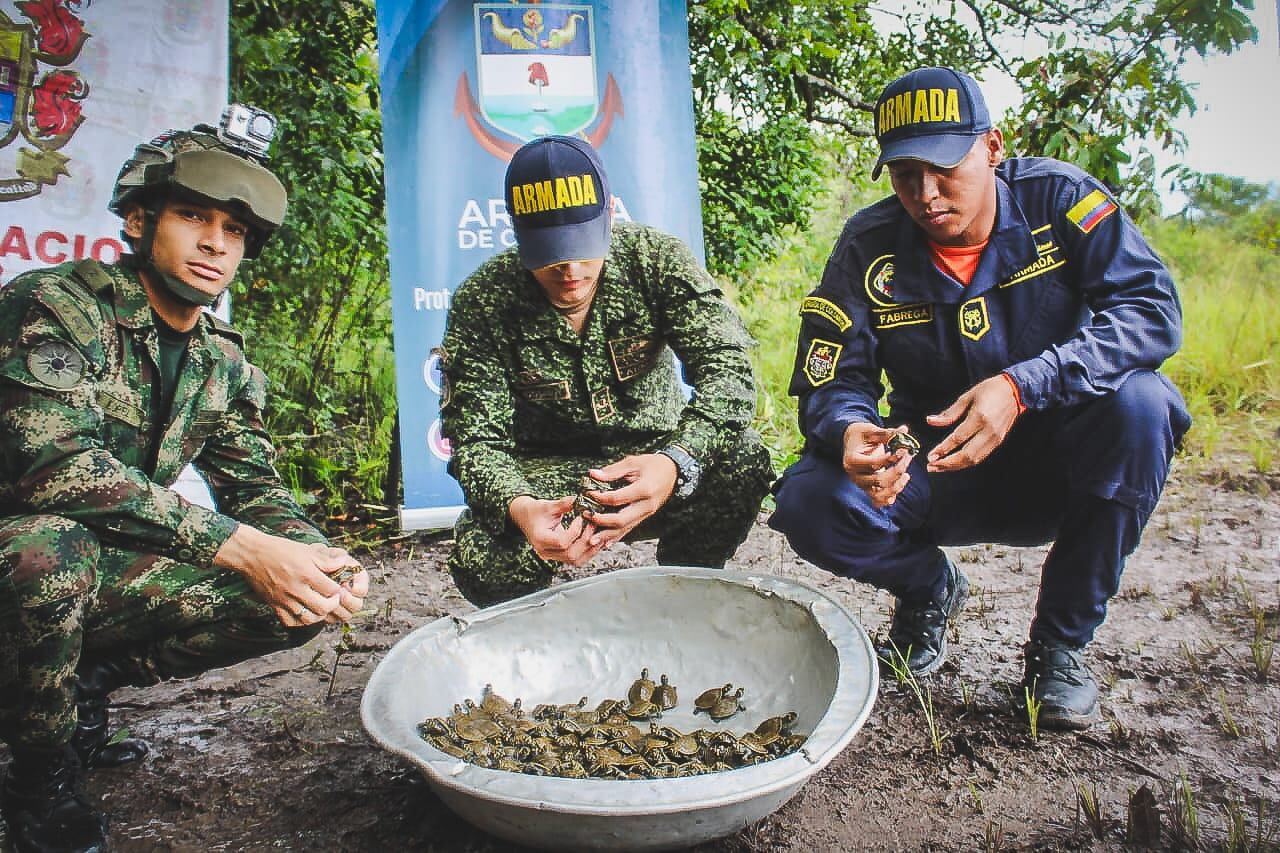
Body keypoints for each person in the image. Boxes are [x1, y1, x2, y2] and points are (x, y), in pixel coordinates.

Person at [769, 67, 1190, 730]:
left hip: (1064, 462)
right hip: (937, 467)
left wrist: (1023, 386)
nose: (926, 194)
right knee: (809, 500)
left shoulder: (1062, 202)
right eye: (905, 174)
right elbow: (833, 378)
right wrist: (852, 430)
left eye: (944, 168)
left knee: (1143, 405)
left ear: (993, 147)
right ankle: (928, 589)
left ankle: (1058, 650)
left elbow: (1150, 311)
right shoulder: (868, 245)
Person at [0, 106, 369, 853]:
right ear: (139, 221)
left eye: (234, 231)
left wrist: (315, 554)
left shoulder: (220, 358)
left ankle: (83, 684)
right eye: (194, 216)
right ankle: (38, 779)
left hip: (99, 566)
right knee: (48, 551)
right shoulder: (56, 307)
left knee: (300, 594)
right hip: (23, 555)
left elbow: (254, 488)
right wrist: (243, 548)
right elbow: (55, 469)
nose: (215, 244)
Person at [440, 135, 773, 607]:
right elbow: (476, 442)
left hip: (657, 459)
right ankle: (536, 628)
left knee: (742, 457)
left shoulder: (656, 260)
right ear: (516, 231)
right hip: (552, 479)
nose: (569, 268)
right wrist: (521, 508)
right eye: (550, 252)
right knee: (484, 554)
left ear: (610, 216)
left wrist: (675, 462)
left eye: (582, 246)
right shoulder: (483, 300)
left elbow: (729, 373)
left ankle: (686, 592)